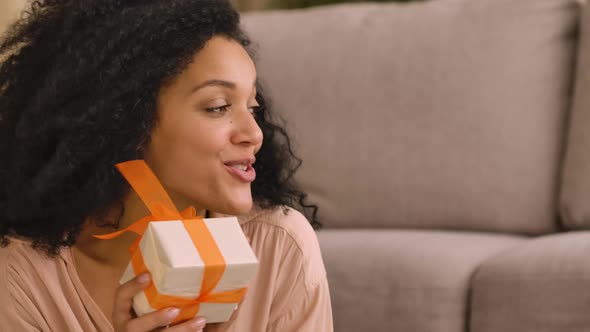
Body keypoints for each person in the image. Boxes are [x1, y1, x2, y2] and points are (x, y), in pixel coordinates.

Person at [0, 0, 333, 331]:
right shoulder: (23, 276)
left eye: (253, 107)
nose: (254, 134)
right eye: (218, 107)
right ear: (128, 122)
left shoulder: (279, 247)